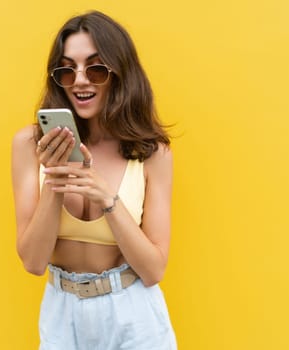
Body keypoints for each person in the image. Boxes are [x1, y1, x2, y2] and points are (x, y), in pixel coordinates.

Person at [11, 10, 177, 350]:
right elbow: (32, 262)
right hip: (62, 312)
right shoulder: (29, 146)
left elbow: (153, 270)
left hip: (133, 314)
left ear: (120, 74)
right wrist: (55, 182)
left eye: (96, 68)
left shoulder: (152, 154)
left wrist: (108, 200)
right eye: (67, 69)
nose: (81, 80)